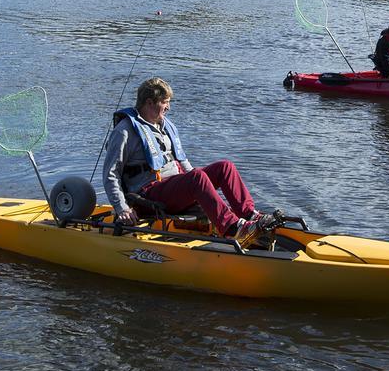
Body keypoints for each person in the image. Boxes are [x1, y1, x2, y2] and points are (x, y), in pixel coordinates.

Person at [102, 77, 278, 247]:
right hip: (147, 195)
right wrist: (122, 208)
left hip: (173, 187)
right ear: (149, 102)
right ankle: (233, 228)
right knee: (197, 177)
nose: (168, 107)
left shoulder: (164, 125)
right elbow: (111, 173)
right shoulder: (124, 131)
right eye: (165, 102)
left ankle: (250, 216)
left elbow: (183, 163)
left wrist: (200, 189)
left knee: (225, 167)